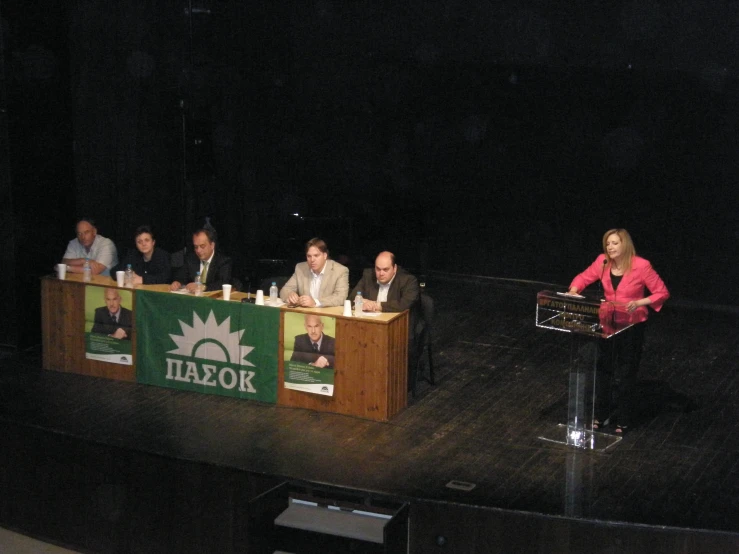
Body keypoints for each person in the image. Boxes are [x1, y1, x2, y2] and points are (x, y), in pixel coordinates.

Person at [568, 228, 669, 434]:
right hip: (608, 323)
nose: (610, 247)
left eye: (614, 243)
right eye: (608, 243)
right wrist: (573, 291)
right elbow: (583, 277)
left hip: (632, 325)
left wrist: (640, 302)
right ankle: (602, 415)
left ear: (625, 245)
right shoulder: (602, 262)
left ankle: (624, 418)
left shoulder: (641, 266)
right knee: (604, 369)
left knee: (626, 372)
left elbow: (662, 292)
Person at [279, 238, 349, 308]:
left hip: (328, 315)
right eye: (309, 256)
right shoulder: (301, 268)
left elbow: (340, 297)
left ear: (325, 255)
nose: (312, 260)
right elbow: (284, 290)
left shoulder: (340, 270)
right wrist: (290, 295)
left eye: (316, 256)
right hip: (304, 314)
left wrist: (315, 302)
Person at [349, 251, 420, 313]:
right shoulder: (368, 276)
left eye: (385, 269)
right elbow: (352, 297)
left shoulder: (408, 280)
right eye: (378, 269)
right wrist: (362, 303)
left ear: (394, 268)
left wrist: (377, 305)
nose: (381, 273)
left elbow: (404, 304)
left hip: (398, 323)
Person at [170, 226, 232, 293]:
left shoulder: (223, 261)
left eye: (202, 246)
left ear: (212, 245)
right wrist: (177, 282)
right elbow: (181, 276)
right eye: (196, 247)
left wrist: (203, 287)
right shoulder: (191, 259)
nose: (198, 250)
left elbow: (223, 283)